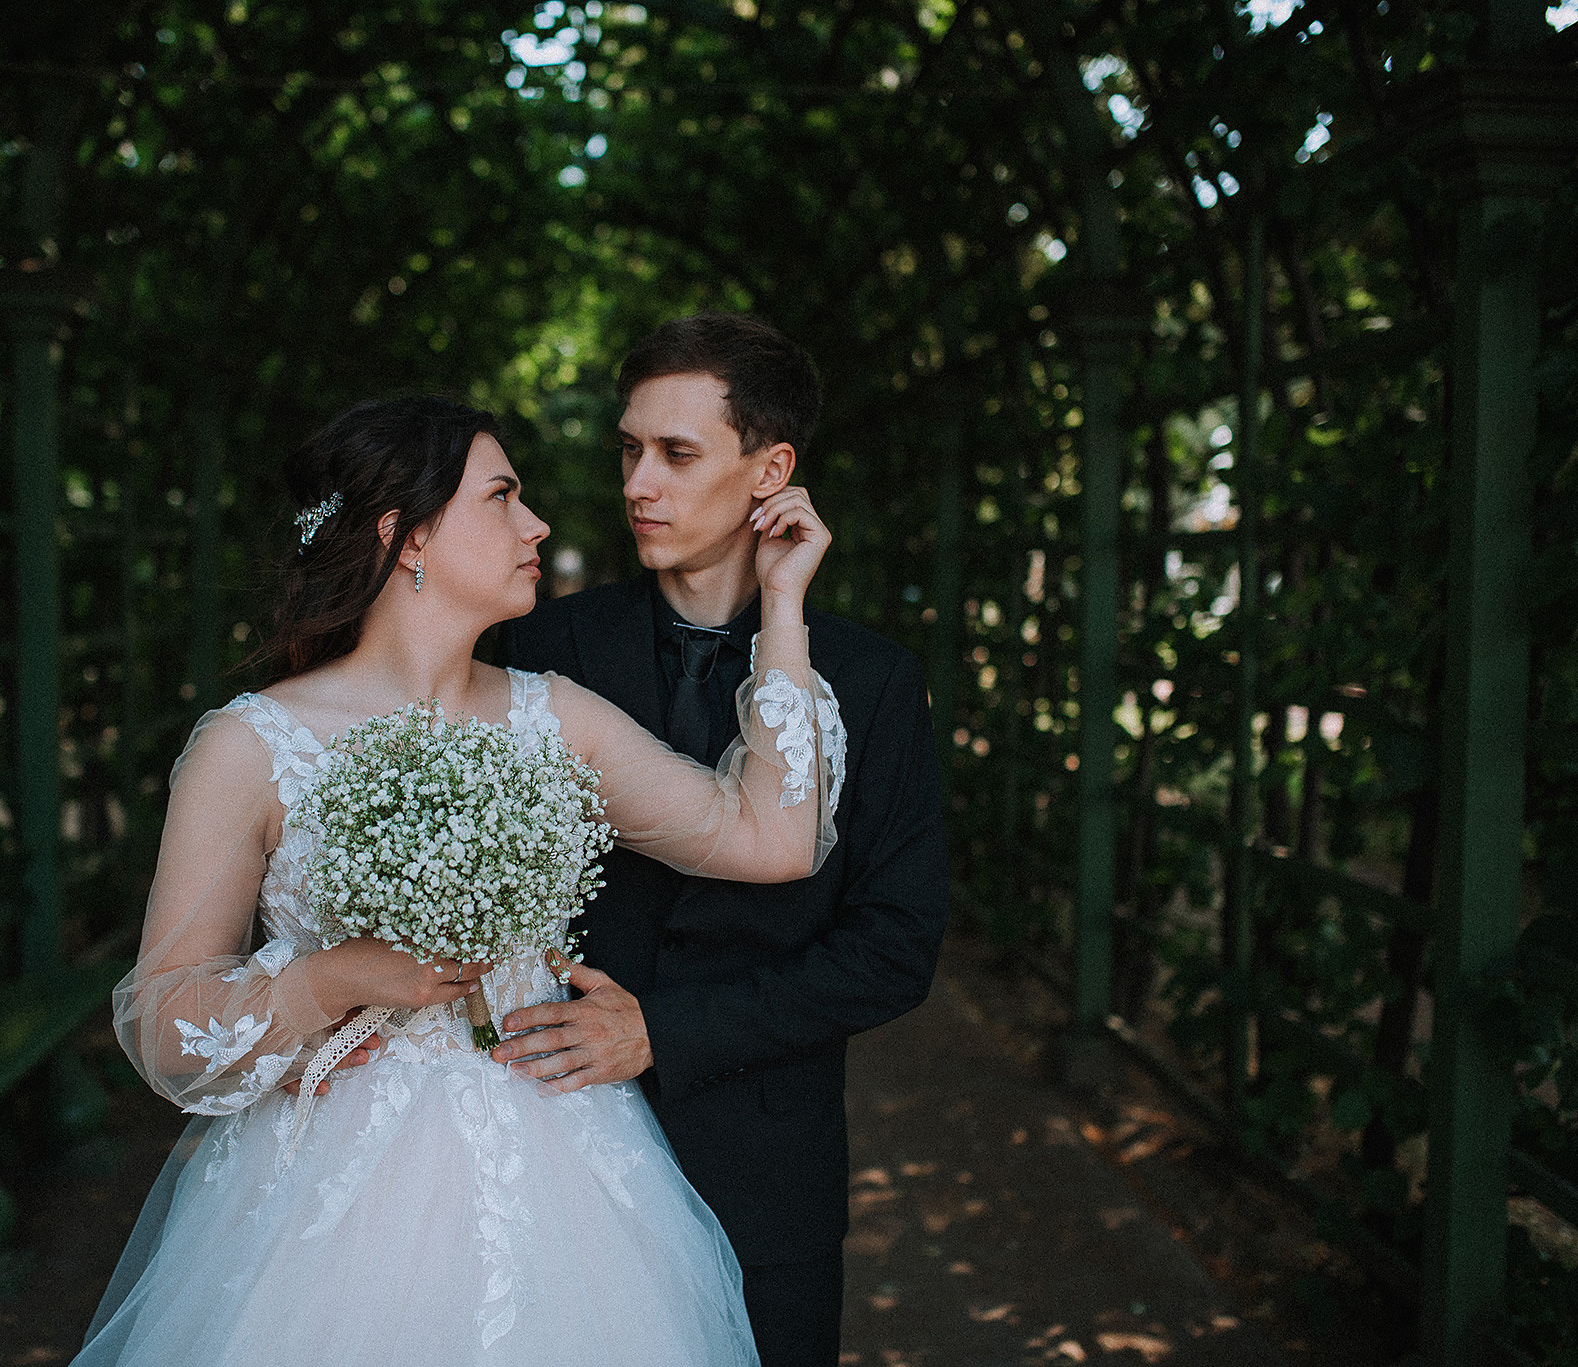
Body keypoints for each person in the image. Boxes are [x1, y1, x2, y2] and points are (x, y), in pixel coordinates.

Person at [75, 395, 844, 1366]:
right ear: (407, 537)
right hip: (329, 1204)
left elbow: (770, 838)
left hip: (561, 1171)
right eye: (502, 496)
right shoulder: (251, 746)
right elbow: (164, 1019)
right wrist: (331, 978)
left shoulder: (555, 719)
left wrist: (781, 604)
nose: (537, 525)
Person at [499, 314, 950, 1367]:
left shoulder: (873, 680)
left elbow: (893, 946)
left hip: (764, 1166)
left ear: (771, 470)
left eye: (676, 453)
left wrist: (665, 1028)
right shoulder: (536, 646)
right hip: (549, 1140)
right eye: (628, 449)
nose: (637, 483)